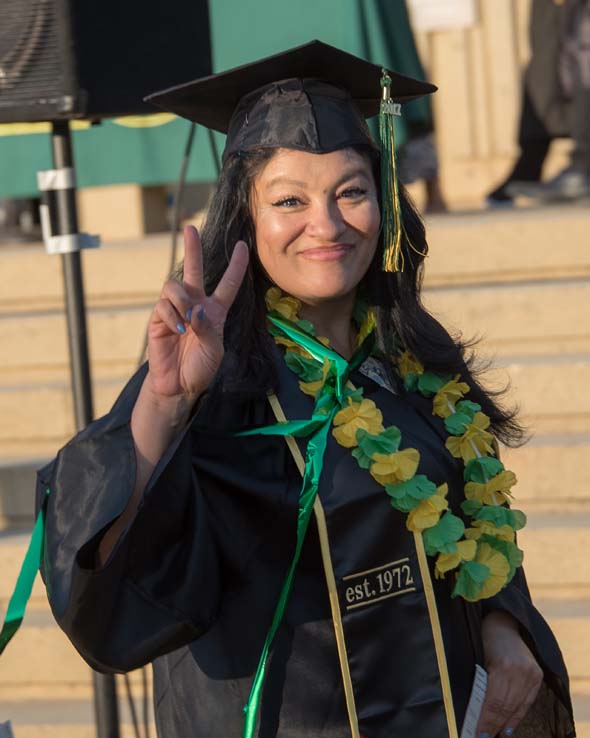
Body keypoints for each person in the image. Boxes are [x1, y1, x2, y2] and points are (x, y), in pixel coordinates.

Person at [36, 41, 575, 738]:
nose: (326, 225)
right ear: (245, 216)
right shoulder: (213, 384)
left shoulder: (414, 365)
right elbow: (115, 594)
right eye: (288, 200)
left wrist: (501, 618)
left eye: (350, 191)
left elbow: (471, 522)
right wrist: (165, 405)